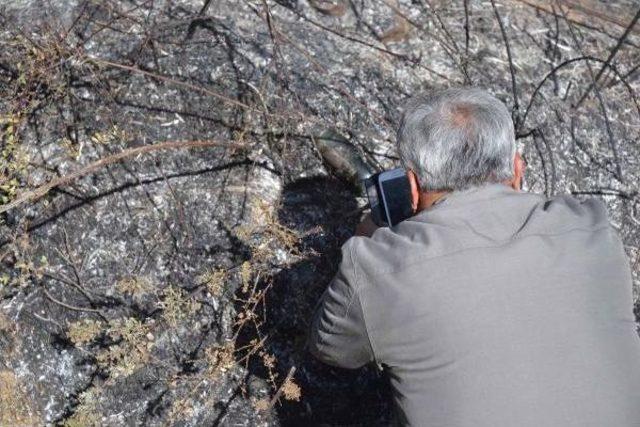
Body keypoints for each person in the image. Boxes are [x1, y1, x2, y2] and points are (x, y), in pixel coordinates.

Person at [307, 88, 640, 426]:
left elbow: (330, 347)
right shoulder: (594, 229)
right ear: (517, 169)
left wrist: (367, 236)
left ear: (410, 186)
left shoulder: (381, 269)